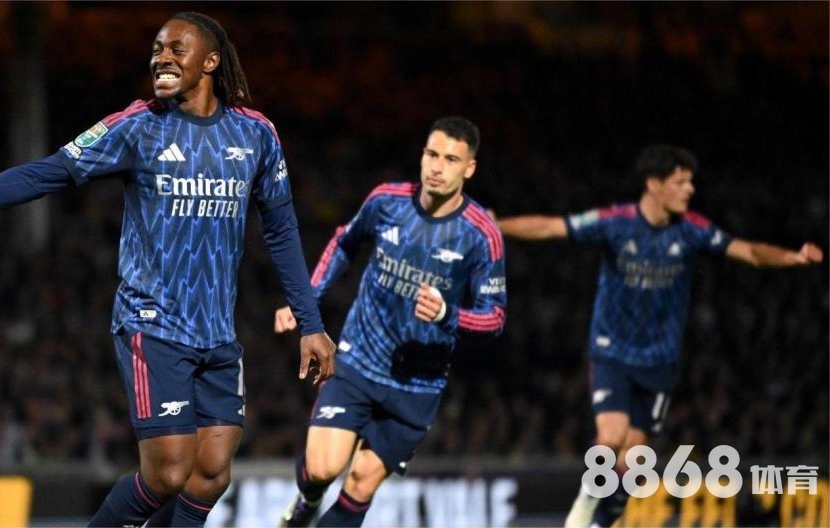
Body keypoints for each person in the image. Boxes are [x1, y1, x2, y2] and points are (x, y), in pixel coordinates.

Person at [0, 11, 337, 527]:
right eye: (157, 49)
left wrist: (311, 323)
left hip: (217, 332)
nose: (161, 57)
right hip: (153, 324)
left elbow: (281, 230)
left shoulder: (255, 135)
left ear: (210, 62)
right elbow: (48, 173)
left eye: (176, 49)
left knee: (210, 474)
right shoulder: (136, 127)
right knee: (168, 473)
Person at [496, 144, 824, 528]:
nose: (690, 189)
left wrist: (793, 257)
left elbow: (748, 251)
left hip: (659, 361)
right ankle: (585, 503)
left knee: (633, 462)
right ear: (654, 184)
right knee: (611, 437)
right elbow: (552, 226)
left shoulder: (692, 229)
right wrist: (497, 225)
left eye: (690, 182)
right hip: (612, 351)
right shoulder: (615, 222)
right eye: (681, 182)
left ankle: (601, 521)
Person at [275, 117, 507, 527]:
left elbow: (495, 317)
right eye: (432, 154)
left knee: (361, 484)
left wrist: (447, 314)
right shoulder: (387, 201)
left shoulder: (480, 234)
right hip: (357, 361)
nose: (437, 167)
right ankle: (307, 501)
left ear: (469, 168)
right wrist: (306, 299)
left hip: (417, 385)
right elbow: (345, 242)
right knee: (323, 469)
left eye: (451, 159)